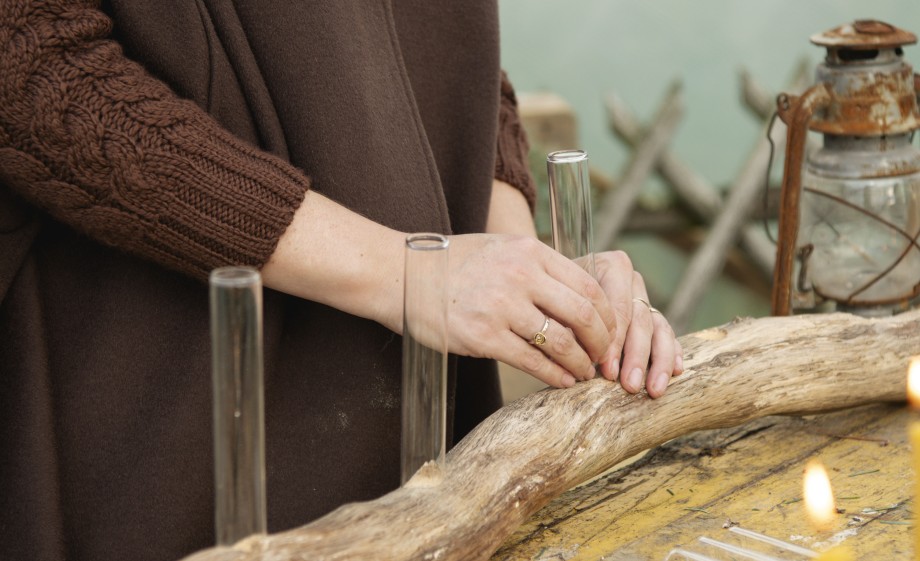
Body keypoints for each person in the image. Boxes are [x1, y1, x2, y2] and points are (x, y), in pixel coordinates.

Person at [0, 1, 683, 560]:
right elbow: (28, 65)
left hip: (430, 439)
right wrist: (401, 269)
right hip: (171, 413)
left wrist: (533, 273)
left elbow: (454, 54)